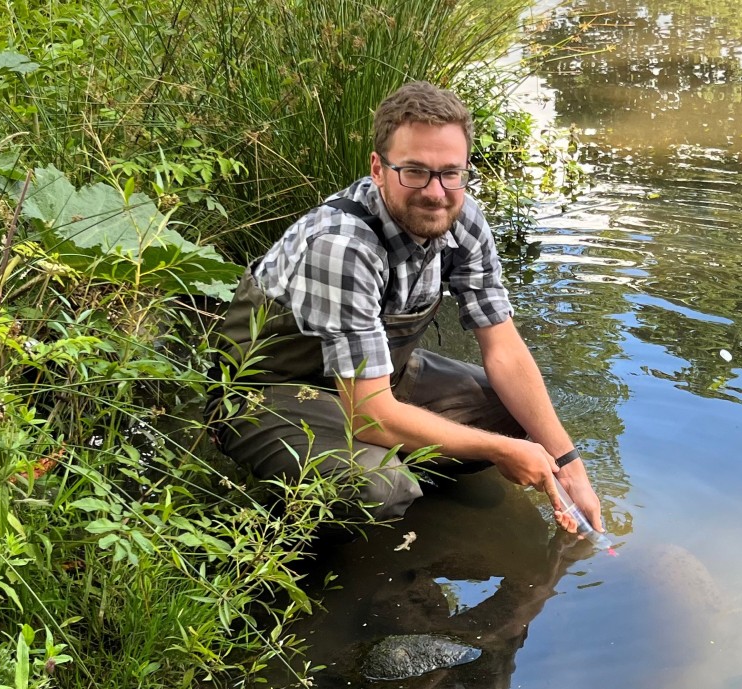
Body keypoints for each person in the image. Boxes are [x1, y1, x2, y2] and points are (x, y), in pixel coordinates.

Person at [211, 80, 601, 535]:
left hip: (376, 379)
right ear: (378, 168)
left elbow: (504, 350)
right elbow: (370, 411)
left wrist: (567, 462)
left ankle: (402, 468)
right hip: (276, 391)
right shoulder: (343, 246)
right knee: (382, 488)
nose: (435, 192)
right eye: (414, 171)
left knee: (519, 418)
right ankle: (308, 492)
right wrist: (497, 451)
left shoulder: (463, 218)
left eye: (450, 172)